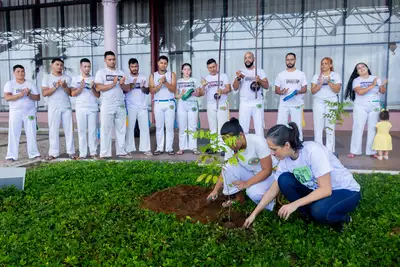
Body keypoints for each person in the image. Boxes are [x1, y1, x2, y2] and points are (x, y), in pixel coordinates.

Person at [243, 122, 361, 231]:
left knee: (319, 211)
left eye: (274, 149)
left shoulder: (313, 152)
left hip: (344, 190)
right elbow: (272, 190)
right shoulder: (285, 161)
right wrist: (254, 214)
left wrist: (294, 204)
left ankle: (342, 219)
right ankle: (307, 215)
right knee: (283, 179)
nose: (272, 153)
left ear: (287, 145)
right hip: (318, 189)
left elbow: (326, 189)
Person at [206, 118, 276, 210]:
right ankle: (238, 198)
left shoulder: (257, 142)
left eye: (232, 141)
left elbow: (267, 171)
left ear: (241, 135)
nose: (230, 145)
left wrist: (247, 183)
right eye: (226, 141)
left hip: (271, 175)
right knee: (228, 167)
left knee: (253, 193)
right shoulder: (231, 148)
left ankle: (272, 205)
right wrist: (215, 190)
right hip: (252, 173)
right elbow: (225, 170)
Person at [345, 63, 387, 158]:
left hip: (375, 105)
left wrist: (382, 85)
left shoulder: (375, 78)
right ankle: (354, 151)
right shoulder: (356, 80)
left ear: (367, 68)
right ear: (357, 72)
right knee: (358, 127)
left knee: (373, 128)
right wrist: (373, 85)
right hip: (360, 106)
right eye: (358, 68)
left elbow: (382, 91)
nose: (361, 69)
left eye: (363, 66)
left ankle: (372, 152)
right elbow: (360, 92)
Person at [95, 51, 132, 159]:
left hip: (120, 103)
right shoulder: (101, 72)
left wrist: (121, 84)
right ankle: (105, 153)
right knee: (105, 129)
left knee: (121, 128)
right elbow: (98, 88)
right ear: (105, 60)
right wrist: (113, 84)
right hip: (107, 103)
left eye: (113, 59)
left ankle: (121, 151)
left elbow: (127, 89)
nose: (112, 61)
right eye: (109, 59)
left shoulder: (121, 72)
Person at [4, 65, 41, 162]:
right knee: (13, 133)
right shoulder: (10, 84)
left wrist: (29, 94)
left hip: (29, 112)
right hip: (15, 112)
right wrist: (19, 95)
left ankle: (34, 154)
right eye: (18, 71)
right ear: (14, 73)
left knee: (31, 133)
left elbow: (37, 97)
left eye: (22, 71)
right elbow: (7, 97)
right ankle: (11, 155)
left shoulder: (30, 84)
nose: (21, 73)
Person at [41, 58, 76, 160]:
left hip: (66, 107)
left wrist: (65, 86)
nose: (59, 67)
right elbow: (44, 93)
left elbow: (70, 93)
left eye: (61, 65)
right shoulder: (47, 78)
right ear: (52, 65)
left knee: (69, 130)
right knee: (53, 130)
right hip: (53, 107)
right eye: (57, 64)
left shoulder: (68, 78)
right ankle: (53, 153)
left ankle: (71, 152)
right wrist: (55, 87)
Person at [232, 52, 269, 137]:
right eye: (245, 58)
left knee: (259, 129)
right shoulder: (240, 72)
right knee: (243, 129)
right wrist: (238, 78)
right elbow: (235, 87)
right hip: (245, 103)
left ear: (254, 59)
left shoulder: (260, 71)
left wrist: (259, 80)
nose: (247, 60)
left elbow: (266, 86)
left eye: (249, 57)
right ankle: (245, 149)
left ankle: (260, 149)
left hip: (257, 102)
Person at [311, 57, 342, 152]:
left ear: (330, 65)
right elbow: (313, 91)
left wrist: (329, 82)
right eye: (322, 64)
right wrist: (319, 84)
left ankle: (330, 151)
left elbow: (337, 90)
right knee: (318, 126)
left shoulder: (335, 76)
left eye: (326, 63)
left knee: (330, 127)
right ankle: (318, 150)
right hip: (318, 102)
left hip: (331, 102)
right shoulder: (316, 76)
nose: (323, 65)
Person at [71, 58, 100, 159]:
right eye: (85, 66)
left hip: (92, 107)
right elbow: (73, 93)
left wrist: (92, 88)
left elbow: (98, 95)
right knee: (81, 131)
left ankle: (93, 152)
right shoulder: (75, 79)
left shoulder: (94, 78)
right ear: (81, 67)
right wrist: (81, 87)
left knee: (92, 131)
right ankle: (83, 153)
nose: (87, 69)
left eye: (89, 66)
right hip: (80, 107)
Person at [274, 53, 307, 141]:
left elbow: (305, 89)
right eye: (288, 60)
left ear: (295, 60)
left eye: (291, 59)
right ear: (285, 61)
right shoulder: (281, 75)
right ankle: (280, 142)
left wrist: (298, 92)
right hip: (284, 104)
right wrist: (282, 92)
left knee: (297, 125)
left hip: (297, 104)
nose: (289, 62)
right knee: (281, 125)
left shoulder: (301, 74)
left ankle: (298, 143)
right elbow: (276, 90)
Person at [123, 58, 152, 156]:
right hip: (130, 107)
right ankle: (128, 149)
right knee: (129, 128)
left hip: (142, 106)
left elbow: (147, 91)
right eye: (132, 67)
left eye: (136, 66)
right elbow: (124, 90)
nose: (134, 68)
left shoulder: (143, 77)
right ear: (129, 67)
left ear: (138, 66)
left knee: (144, 128)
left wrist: (143, 87)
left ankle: (146, 149)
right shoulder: (126, 77)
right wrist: (133, 84)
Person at [202, 58, 231, 155]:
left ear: (217, 66)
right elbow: (202, 92)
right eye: (210, 68)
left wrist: (222, 91)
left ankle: (223, 147)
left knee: (222, 126)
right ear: (207, 68)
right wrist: (203, 86)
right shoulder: (206, 78)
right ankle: (214, 146)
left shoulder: (223, 76)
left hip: (222, 103)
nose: (212, 69)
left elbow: (229, 88)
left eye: (214, 67)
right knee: (212, 126)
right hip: (211, 104)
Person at [149, 55, 177, 155]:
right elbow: (152, 90)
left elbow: (174, 89)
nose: (163, 65)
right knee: (159, 127)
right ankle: (159, 148)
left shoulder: (171, 74)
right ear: (158, 63)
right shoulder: (153, 75)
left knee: (169, 127)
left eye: (165, 63)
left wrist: (165, 82)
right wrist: (160, 84)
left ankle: (169, 148)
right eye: (161, 63)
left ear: (167, 64)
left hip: (169, 102)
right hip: (158, 103)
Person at [175, 63, 202, 155]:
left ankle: (193, 147)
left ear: (191, 71)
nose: (187, 71)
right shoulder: (178, 81)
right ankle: (181, 148)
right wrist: (181, 95)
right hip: (182, 105)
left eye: (189, 69)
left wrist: (196, 92)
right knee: (182, 127)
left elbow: (199, 93)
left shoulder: (194, 80)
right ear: (182, 71)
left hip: (192, 105)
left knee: (192, 126)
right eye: (185, 69)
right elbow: (176, 96)